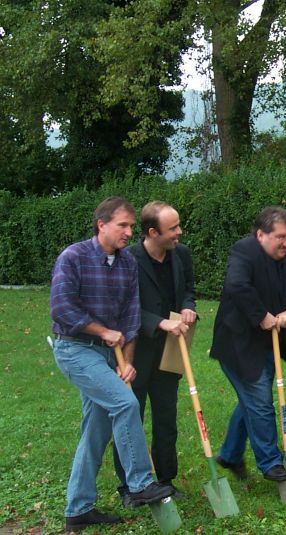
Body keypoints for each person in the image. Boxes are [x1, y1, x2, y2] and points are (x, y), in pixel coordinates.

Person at [50, 197, 175, 532]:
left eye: (131, 226)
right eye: (122, 225)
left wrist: (128, 363)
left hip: (112, 354)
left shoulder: (126, 263)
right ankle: (139, 483)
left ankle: (78, 508)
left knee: (96, 431)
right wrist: (103, 330)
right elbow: (62, 309)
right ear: (101, 224)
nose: (128, 232)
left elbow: (130, 317)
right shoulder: (73, 257)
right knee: (125, 403)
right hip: (75, 350)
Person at [211, 206, 286, 482]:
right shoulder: (243, 252)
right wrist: (263, 317)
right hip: (238, 343)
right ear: (260, 235)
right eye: (279, 237)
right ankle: (270, 462)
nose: (285, 242)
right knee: (259, 400)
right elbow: (237, 286)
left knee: (253, 400)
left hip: (273, 340)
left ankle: (230, 454)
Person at [112, 202, 197, 500]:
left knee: (166, 418)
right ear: (152, 232)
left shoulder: (181, 254)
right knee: (129, 418)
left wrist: (188, 306)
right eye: (172, 228)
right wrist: (158, 323)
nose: (179, 233)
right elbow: (124, 305)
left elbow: (189, 288)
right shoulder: (128, 260)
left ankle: (166, 479)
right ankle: (129, 486)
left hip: (171, 350)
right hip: (135, 351)